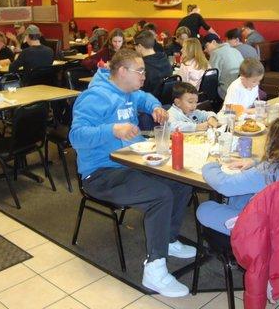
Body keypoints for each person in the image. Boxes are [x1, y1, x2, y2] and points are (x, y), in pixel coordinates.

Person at [69, 49, 195, 297]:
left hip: (132, 163)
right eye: (140, 71)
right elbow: (76, 137)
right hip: (101, 173)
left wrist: (156, 107)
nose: (144, 76)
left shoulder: (128, 91)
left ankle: (167, 240)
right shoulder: (95, 98)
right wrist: (112, 130)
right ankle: (154, 271)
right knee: (160, 195)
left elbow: (145, 98)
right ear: (122, 71)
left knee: (181, 182)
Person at [196, 117, 279, 235]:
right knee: (240, 195)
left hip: (269, 228)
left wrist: (210, 165)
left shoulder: (270, 170)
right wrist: (255, 162)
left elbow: (225, 185)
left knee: (204, 209)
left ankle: (241, 241)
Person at [203, 33, 244, 99]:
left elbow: (212, 78)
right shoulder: (236, 50)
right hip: (241, 90)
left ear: (213, 42)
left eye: (206, 46)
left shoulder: (216, 53)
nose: (205, 50)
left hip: (226, 93)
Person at [134, 30, 172, 96]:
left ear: (139, 46)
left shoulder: (141, 65)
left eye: (134, 45)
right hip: (165, 99)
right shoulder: (164, 59)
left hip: (147, 100)